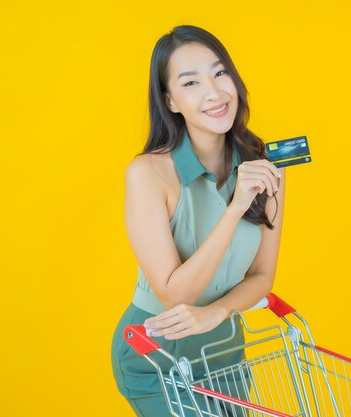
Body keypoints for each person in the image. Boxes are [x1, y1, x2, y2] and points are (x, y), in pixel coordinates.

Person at [110, 25, 285, 417]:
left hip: (225, 350)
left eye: (220, 73)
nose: (214, 92)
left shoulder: (263, 167)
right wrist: (235, 207)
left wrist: (218, 313)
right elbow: (175, 295)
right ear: (170, 100)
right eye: (191, 82)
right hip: (156, 353)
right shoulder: (149, 174)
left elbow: (261, 277)